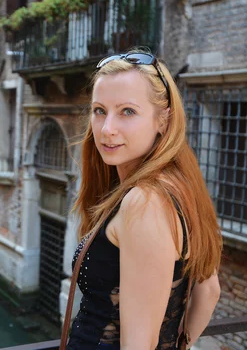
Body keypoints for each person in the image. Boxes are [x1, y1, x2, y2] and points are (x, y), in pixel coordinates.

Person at [67, 51, 223, 350]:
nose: (107, 128)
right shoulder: (180, 188)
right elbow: (209, 290)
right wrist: (181, 344)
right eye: (99, 110)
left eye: (127, 111)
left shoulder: (144, 202)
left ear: (163, 120)